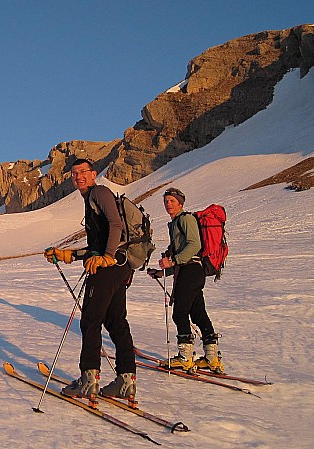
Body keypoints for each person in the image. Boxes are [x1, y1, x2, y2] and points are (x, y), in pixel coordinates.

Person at [44, 158, 137, 404]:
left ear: (94, 174)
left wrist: (106, 257)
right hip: (119, 266)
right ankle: (126, 381)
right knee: (116, 321)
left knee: (91, 321)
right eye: (74, 173)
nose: (78, 176)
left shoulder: (100, 192)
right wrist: (70, 254)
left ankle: (89, 380)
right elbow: (97, 246)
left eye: (83, 172)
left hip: (110, 266)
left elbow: (116, 224)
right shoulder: (91, 199)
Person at [148, 187, 224, 373]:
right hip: (191, 272)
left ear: (181, 203)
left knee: (180, 313)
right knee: (198, 313)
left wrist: (172, 260)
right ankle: (211, 358)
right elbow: (182, 257)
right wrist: (161, 272)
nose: (168, 204)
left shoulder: (186, 219)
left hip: (191, 272)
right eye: (166, 201)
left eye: (172, 201)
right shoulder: (175, 223)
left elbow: (194, 246)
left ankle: (184, 357)